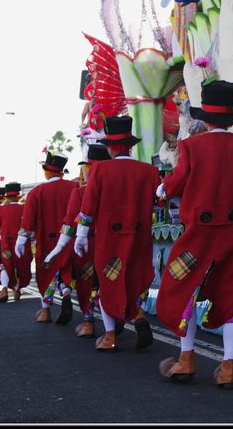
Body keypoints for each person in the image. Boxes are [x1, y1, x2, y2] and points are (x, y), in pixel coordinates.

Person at [155, 79, 233, 388]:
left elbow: (173, 186)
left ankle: (186, 359)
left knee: (182, 289)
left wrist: (161, 191)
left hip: (198, 236)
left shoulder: (190, 146)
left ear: (203, 118)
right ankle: (228, 368)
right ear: (232, 118)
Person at [75, 115, 162, 352]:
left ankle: (110, 335)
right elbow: (157, 204)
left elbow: (89, 206)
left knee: (108, 283)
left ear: (110, 147)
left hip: (109, 239)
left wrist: (81, 234)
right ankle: (141, 314)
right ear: (131, 146)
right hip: (139, 236)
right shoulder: (149, 170)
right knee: (136, 277)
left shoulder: (100, 169)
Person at [43, 144, 112, 338]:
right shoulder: (116, 188)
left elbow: (72, 219)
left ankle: (89, 322)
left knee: (88, 283)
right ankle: (127, 319)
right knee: (113, 282)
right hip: (116, 243)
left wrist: (60, 244)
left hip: (85, 243)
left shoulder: (80, 191)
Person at [17, 152, 77, 324]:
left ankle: (45, 311)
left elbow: (28, 220)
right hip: (72, 238)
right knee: (67, 270)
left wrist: (22, 240)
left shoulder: (36, 192)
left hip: (47, 239)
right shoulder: (75, 186)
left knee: (46, 273)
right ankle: (66, 292)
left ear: (47, 171)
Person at [0, 182, 32, 303]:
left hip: (7, 242)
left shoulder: (1, 209)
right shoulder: (26, 207)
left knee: (5, 265)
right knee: (21, 264)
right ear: (20, 196)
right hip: (23, 242)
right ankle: (17, 289)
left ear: (6, 197)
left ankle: (4, 290)